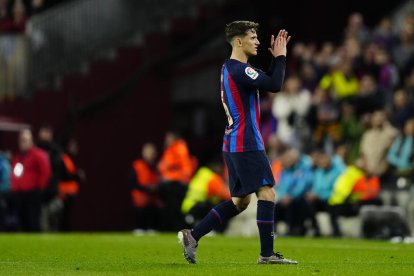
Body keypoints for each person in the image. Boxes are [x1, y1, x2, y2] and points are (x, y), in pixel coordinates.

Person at [178, 21, 297, 265]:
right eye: (253, 37)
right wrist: (282, 58)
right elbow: (275, 84)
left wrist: (276, 61)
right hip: (246, 142)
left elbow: (270, 81)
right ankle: (267, 255)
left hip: (233, 143)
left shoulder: (231, 68)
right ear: (239, 41)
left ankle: (193, 235)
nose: (258, 41)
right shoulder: (240, 69)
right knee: (267, 193)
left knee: (240, 202)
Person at [10, 129, 51, 231]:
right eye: (21, 140)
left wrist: (40, 188)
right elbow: (15, 174)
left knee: (33, 220)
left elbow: (45, 172)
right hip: (20, 193)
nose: (22, 143)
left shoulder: (38, 155)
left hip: (33, 193)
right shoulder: (18, 157)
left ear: (31, 141)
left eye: (25, 140)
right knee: (22, 220)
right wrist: (14, 189)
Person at [181, 161, 231, 233]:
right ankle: (213, 230)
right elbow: (225, 195)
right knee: (224, 206)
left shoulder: (201, 174)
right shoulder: (211, 177)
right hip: (197, 207)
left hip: (187, 206)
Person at [130, 143, 161, 233]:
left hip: (153, 202)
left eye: (152, 152)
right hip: (140, 201)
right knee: (139, 225)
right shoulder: (137, 165)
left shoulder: (157, 167)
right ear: (143, 153)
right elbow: (133, 182)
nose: (150, 155)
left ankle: (151, 228)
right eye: (148, 152)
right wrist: (147, 188)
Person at [57, 139, 84, 231]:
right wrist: (76, 175)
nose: (75, 149)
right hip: (65, 192)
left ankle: (66, 231)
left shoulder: (70, 159)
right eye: (73, 146)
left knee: (68, 215)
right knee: (64, 215)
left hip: (70, 192)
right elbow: (64, 175)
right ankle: (64, 231)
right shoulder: (64, 158)